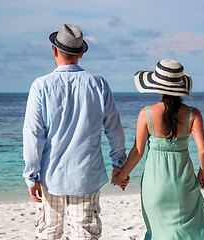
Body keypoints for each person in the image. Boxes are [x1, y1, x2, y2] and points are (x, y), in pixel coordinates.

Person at [23, 24, 128, 240]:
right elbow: (114, 129)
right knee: (85, 234)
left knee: (47, 233)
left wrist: (31, 175)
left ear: (54, 51)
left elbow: (33, 134)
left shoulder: (40, 85)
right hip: (87, 175)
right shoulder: (98, 84)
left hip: (50, 175)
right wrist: (119, 165)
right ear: (81, 54)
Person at [112, 60, 204, 239]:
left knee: (158, 233)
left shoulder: (146, 114)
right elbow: (203, 151)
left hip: (155, 187)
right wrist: (203, 172)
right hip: (184, 185)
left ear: (157, 86)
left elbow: (137, 151)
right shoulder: (193, 114)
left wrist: (120, 177)